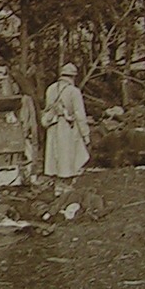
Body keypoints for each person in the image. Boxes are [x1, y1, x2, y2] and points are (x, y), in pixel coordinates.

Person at [41, 62, 90, 194]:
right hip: (67, 126)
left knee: (55, 155)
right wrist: (85, 134)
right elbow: (80, 115)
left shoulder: (50, 89)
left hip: (53, 125)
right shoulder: (74, 92)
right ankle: (66, 187)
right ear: (73, 77)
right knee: (68, 156)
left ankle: (58, 186)